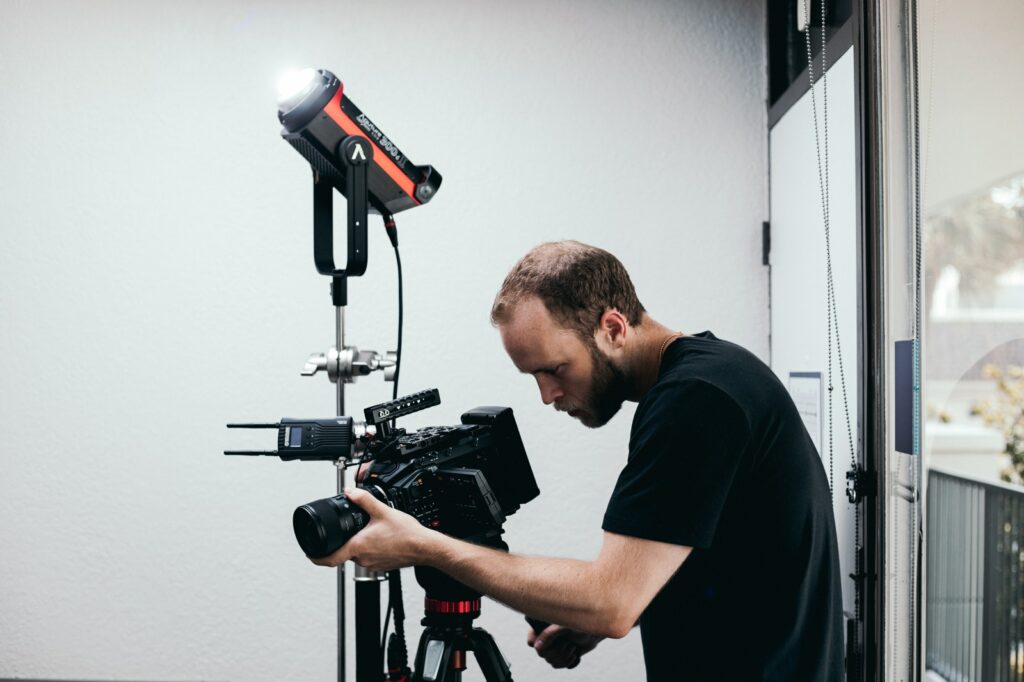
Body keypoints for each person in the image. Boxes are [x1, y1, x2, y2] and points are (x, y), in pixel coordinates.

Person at [312, 241, 844, 680]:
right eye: (533, 377)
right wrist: (601, 617)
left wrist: (425, 547)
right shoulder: (716, 376)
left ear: (613, 329)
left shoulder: (696, 402)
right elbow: (724, 557)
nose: (547, 395)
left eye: (555, 369)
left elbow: (610, 602)